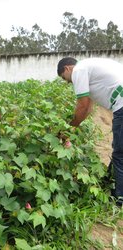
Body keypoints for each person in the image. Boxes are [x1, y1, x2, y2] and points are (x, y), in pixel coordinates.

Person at [57, 57, 123, 206]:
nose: (67, 82)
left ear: (68, 68)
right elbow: (89, 109)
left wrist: (69, 129)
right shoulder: (91, 67)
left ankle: (120, 199)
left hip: (122, 105)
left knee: (120, 154)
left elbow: (83, 107)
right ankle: (111, 183)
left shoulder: (79, 70)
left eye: (64, 78)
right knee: (119, 147)